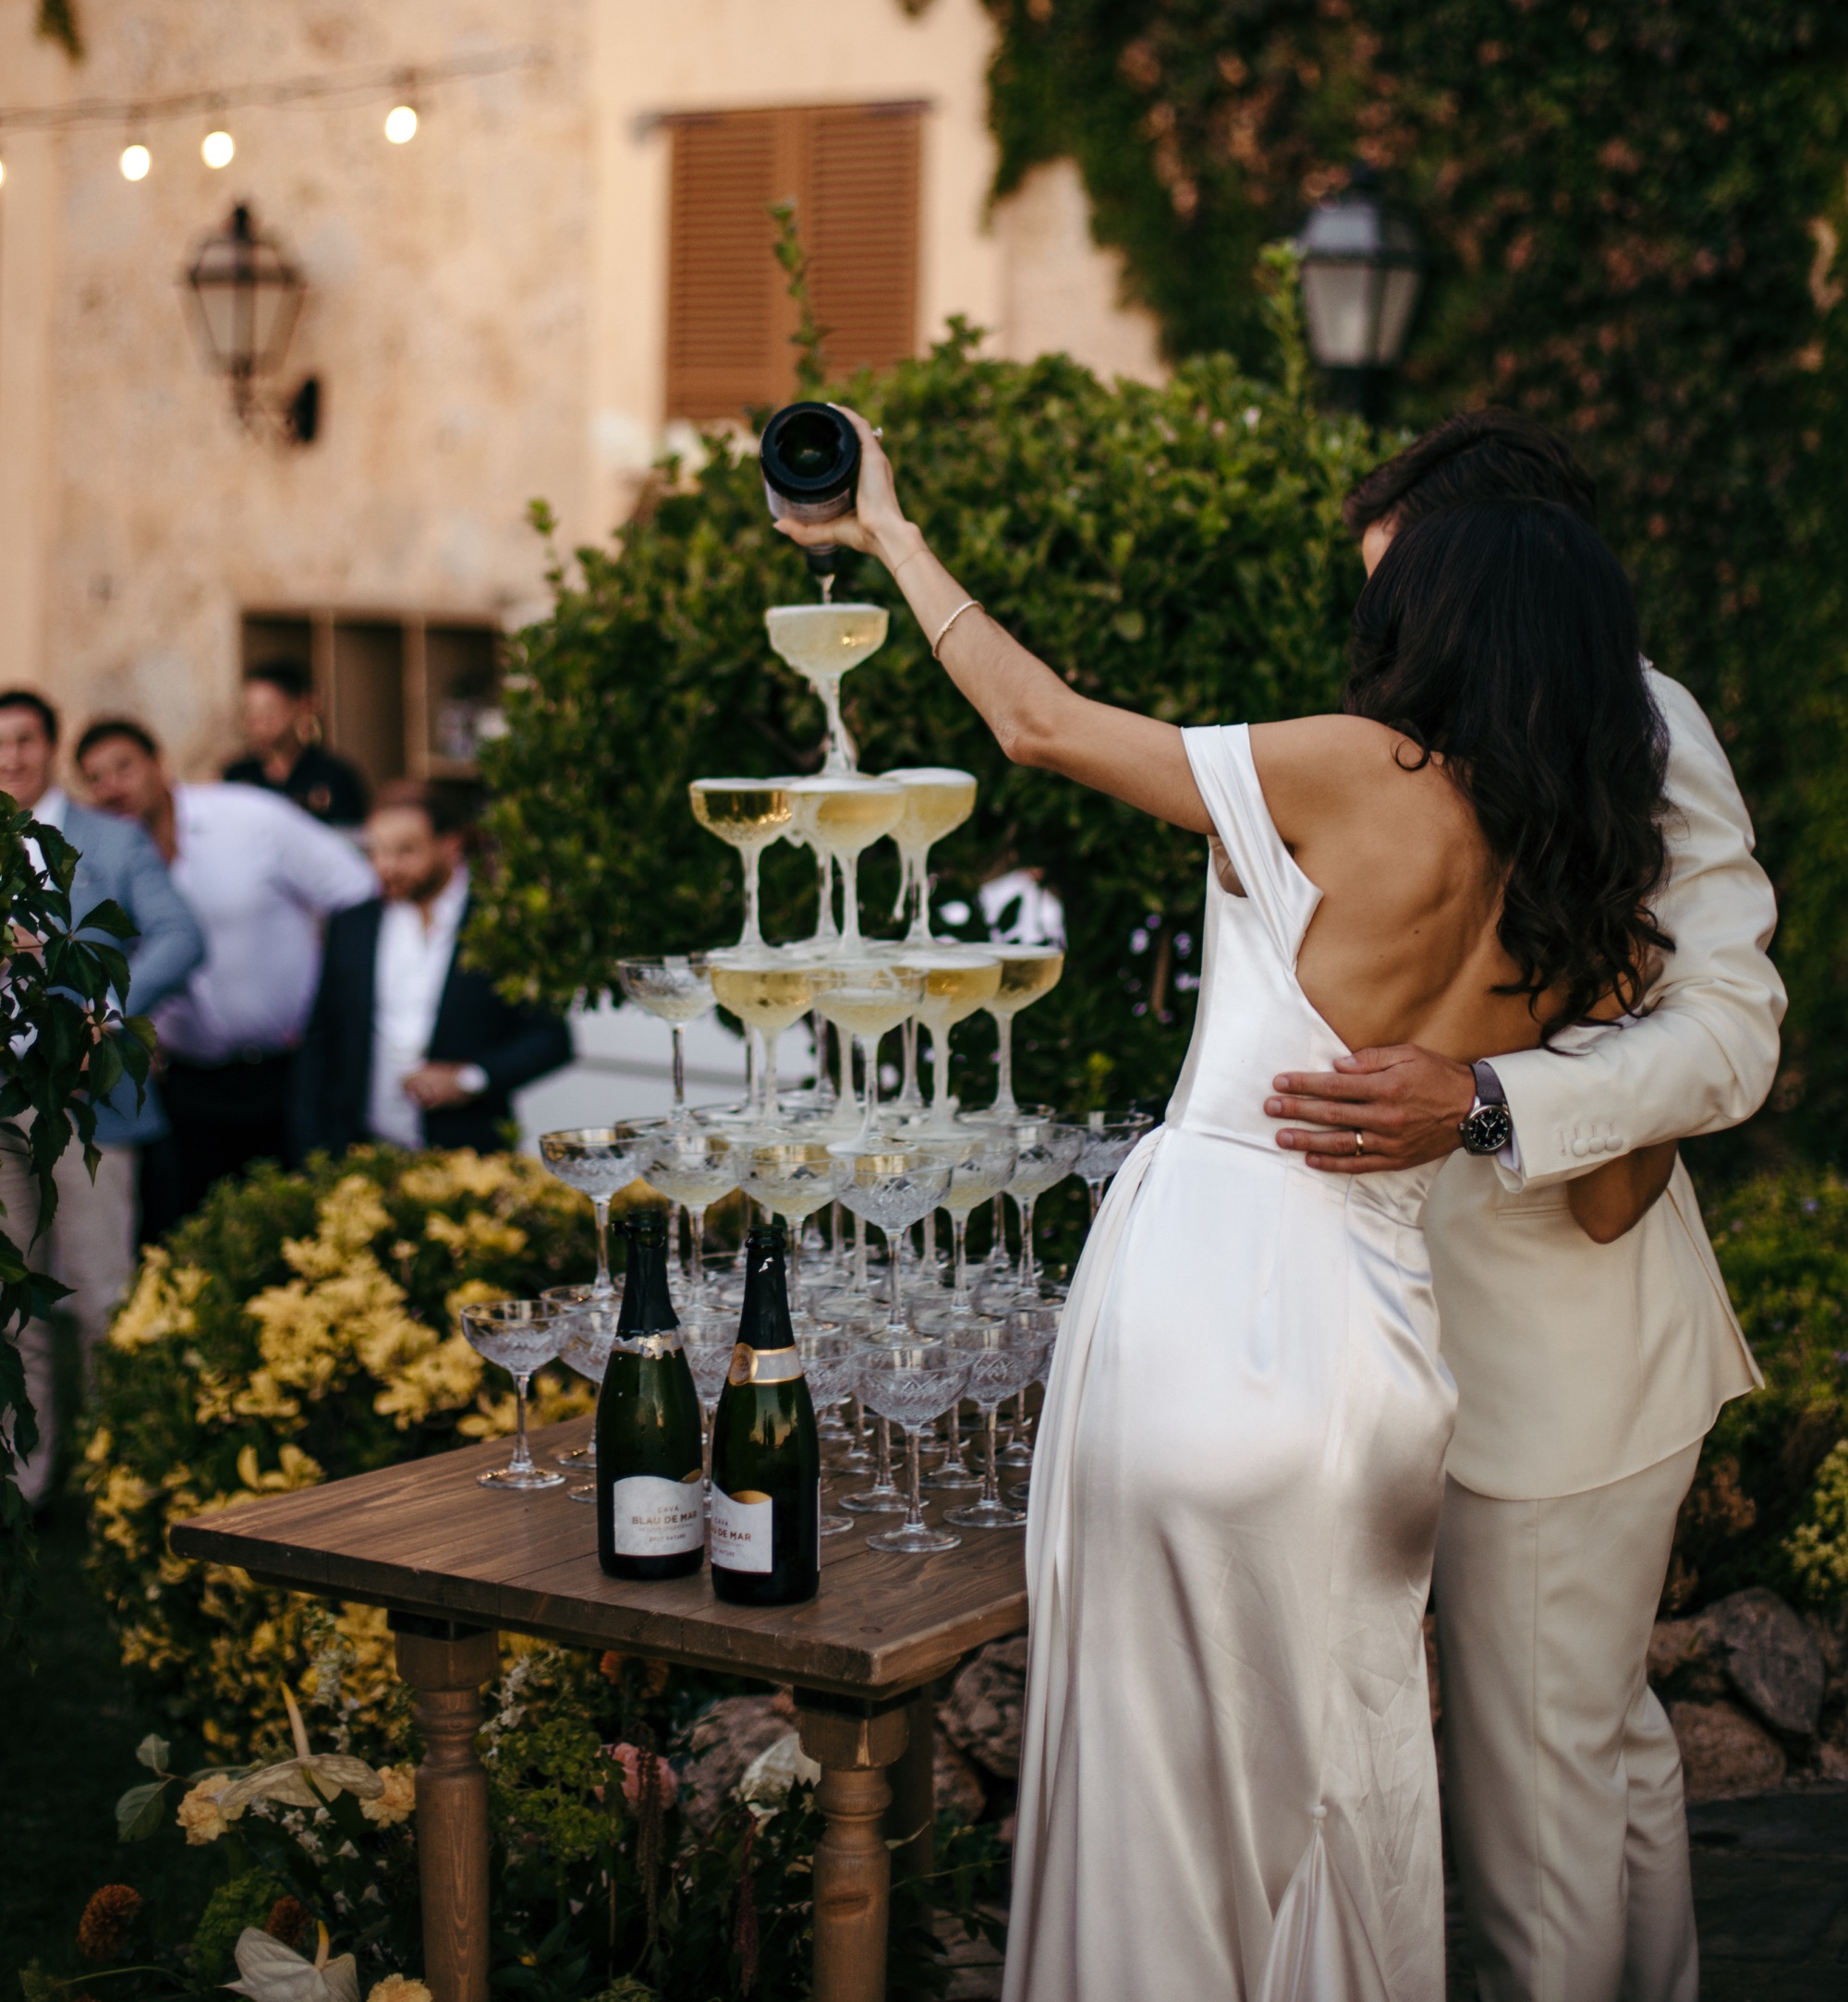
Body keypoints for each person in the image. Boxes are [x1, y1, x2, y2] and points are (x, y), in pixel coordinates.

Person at [778, 412, 1676, 1998]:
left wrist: (894, 536)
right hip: (1383, 1358)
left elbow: (1040, 723)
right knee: (1349, 1775)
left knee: (1151, 1764)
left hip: (1209, 1301)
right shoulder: (1597, 902)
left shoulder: (1356, 772)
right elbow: (1614, 1195)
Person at [1263, 412, 1779, 2002]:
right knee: (1601, 1749)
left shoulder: (1635, 715)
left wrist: (1487, 1100)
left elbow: (1732, 1026)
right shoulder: (1417, 745)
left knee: (1537, 1794)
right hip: (1464, 1348)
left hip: (1567, 1362)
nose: (1383, 645)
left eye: (1402, 596)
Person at [0, 694, 204, 1508]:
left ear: (50, 748)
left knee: (99, 1298)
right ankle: (24, 1485)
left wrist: (104, 1017)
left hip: (91, 1107)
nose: (9, 756)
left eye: (23, 740)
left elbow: (182, 936)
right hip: (1, 1106)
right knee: (14, 1302)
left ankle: (124, 1485)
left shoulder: (111, 839)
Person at [77, 718, 376, 1221]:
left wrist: (339, 1010)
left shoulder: (248, 816)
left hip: (290, 1069)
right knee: (206, 1234)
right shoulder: (104, 860)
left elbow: (354, 890)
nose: (113, 788)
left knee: (308, 1224)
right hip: (189, 1083)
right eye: (95, 778)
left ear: (160, 763)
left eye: (123, 767)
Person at [293, 782, 571, 1157]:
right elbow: (321, 1041)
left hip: (468, 1154)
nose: (385, 867)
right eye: (375, 851)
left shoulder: (501, 924)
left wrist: (470, 1078)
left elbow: (552, 1039)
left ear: (451, 844)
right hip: (361, 1153)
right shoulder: (352, 925)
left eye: (405, 851)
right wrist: (312, 1150)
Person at [223, 659, 370, 828]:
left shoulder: (334, 776)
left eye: (268, 710)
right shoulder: (238, 775)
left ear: (302, 706)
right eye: (250, 711)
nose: (258, 722)